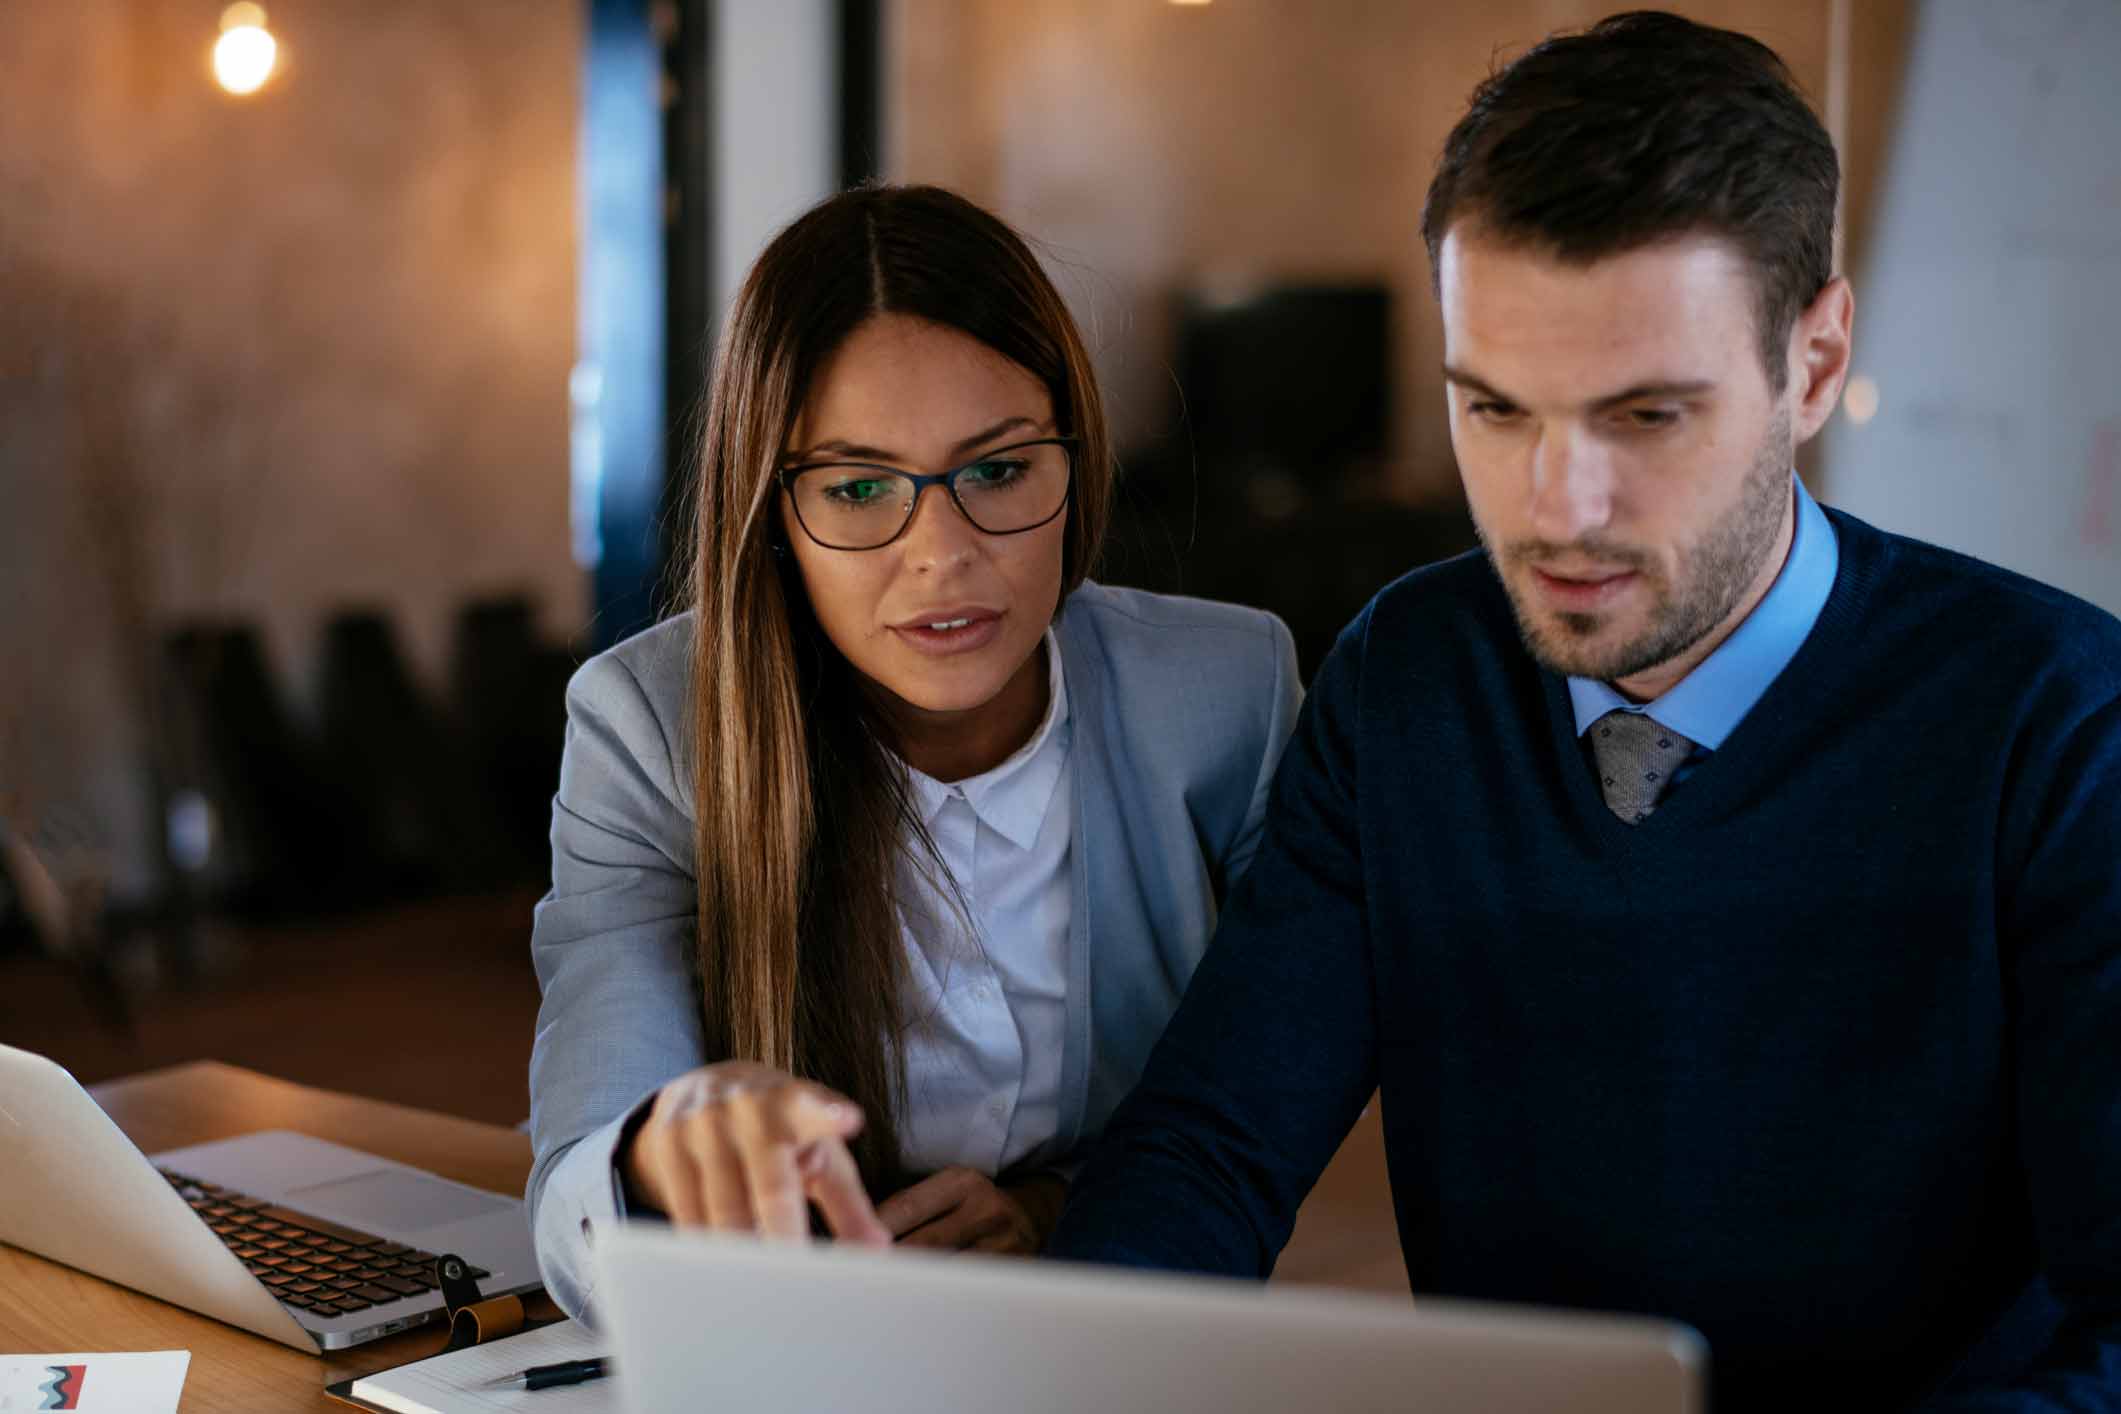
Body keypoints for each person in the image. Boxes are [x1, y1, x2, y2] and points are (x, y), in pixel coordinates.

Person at [1047, 13, 2121, 1411]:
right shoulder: (1408, 677)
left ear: (1810, 361)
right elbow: (1211, 1145)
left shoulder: (2057, 722)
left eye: (1644, 418)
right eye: (1494, 410)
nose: (1556, 512)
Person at [524, 185, 1301, 1318]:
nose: (940, 554)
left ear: (1076, 459)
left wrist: (1056, 1216)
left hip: (1110, 1353)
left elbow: (1258, 1113)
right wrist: (660, 1153)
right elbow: (573, 1192)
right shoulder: (647, 727)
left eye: (996, 471)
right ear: (773, 513)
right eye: (857, 488)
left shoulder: (1225, 695)